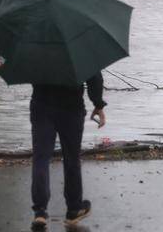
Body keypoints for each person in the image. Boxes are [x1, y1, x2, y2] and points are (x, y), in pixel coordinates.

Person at [30, 71, 106, 230]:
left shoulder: (35, 46)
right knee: (71, 159)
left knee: (41, 159)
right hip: (71, 108)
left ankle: (40, 212)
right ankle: (73, 209)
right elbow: (94, 76)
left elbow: (28, 71)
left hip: (41, 105)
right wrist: (98, 104)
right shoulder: (80, 47)